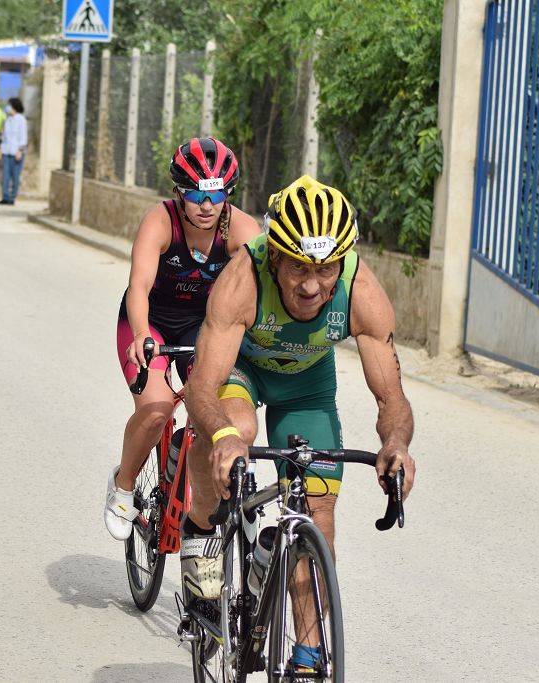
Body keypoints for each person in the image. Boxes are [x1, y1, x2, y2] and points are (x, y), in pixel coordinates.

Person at [182, 175, 416, 667]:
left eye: (326, 269)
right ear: (274, 258)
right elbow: (201, 387)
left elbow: (391, 397)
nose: (312, 285)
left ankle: (308, 655)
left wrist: (395, 444)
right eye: (297, 268)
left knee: (319, 517)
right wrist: (222, 436)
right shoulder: (243, 280)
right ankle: (200, 531)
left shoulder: (361, 292)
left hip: (306, 384)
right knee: (236, 433)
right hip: (242, 372)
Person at [103, 137, 262, 541]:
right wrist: (140, 334)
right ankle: (122, 487)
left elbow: (260, 295)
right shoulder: (160, 222)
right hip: (150, 322)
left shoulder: (242, 230)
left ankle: (227, 488)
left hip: (204, 328)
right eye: (195, 195)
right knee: (157, 409)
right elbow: (138, 286)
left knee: (215, 408)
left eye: (216, 195)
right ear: (179, 194)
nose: (206, 206)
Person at [0, 97, 27, 205]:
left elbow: (23, 137)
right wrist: (0, 149)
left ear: (14, 106)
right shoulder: (7, 119)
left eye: (9, 105)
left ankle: (12, 197)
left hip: (16, 152)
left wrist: (20, 150)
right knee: (5, 175)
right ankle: (5, 196)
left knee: (15, 175)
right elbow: (4, 136)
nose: (7, 107)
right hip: (6, 151)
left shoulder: (21, 119)